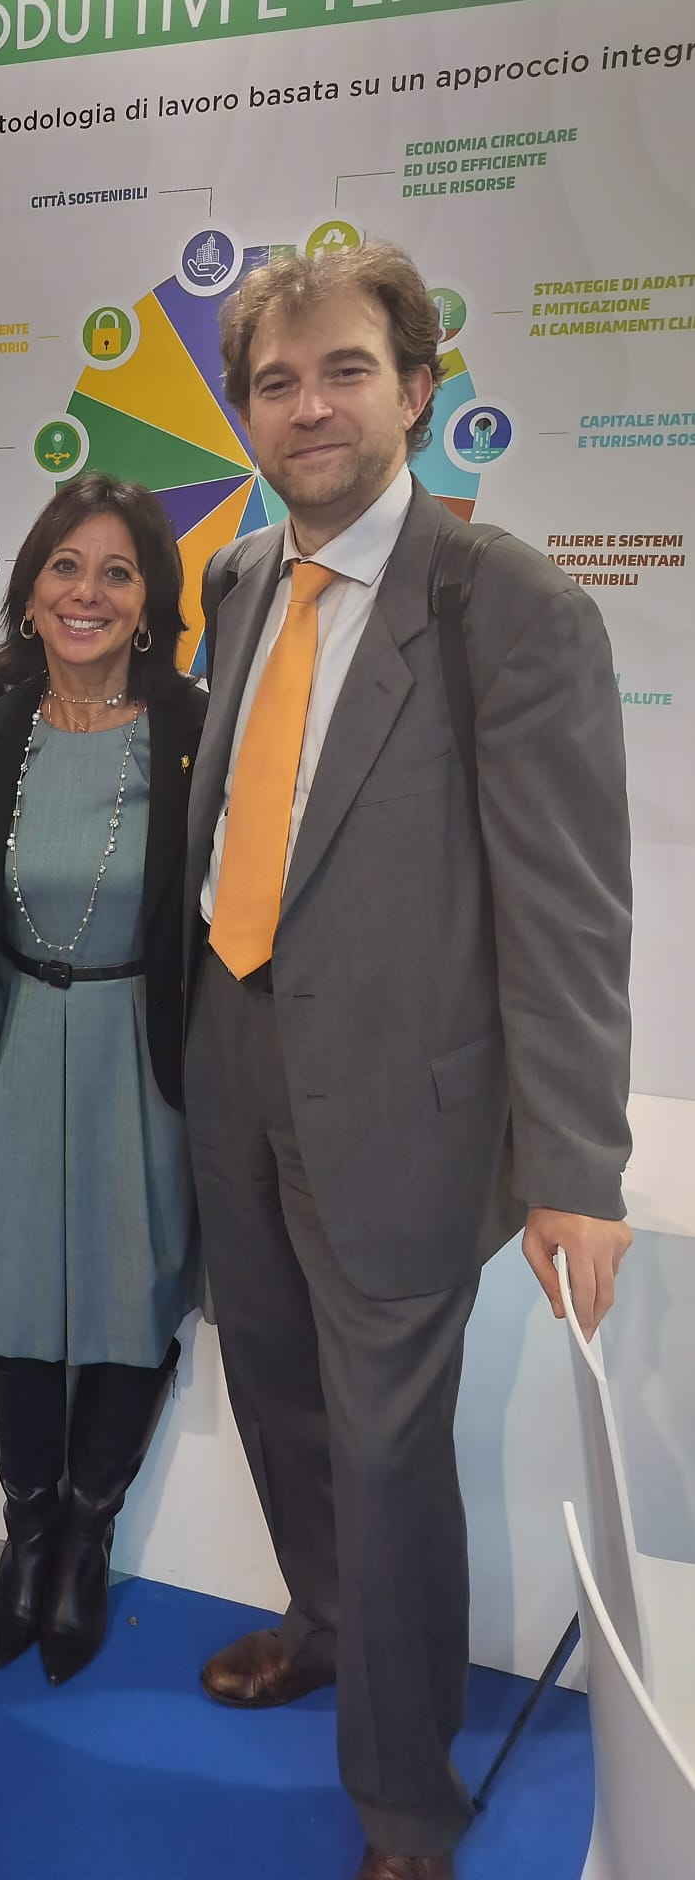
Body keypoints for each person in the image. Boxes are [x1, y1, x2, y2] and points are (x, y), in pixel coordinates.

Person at [182, 242, 633, 1880]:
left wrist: (577, 1164)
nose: (310, 408)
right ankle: (316, 1620)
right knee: (277, 1391)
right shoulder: (238, 581)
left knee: (385, 1452)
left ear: (420, 389)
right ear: (246, 410)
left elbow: (570, 912)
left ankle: (403, 1797)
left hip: (403, 1107)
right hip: (233, 1059)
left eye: (345, 371)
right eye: (279, 382)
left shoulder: (507, 604)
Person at [0, 474, 205, 1685]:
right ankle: (27, 1526)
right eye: (64, 565)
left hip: (134, 1042)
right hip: (11, 1032)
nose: (86, 592)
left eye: (115, 570)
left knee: (125, 1293)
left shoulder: (192, 727)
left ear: (149, 597)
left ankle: (88, 1534)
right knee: (13, 1290)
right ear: (32, 585)